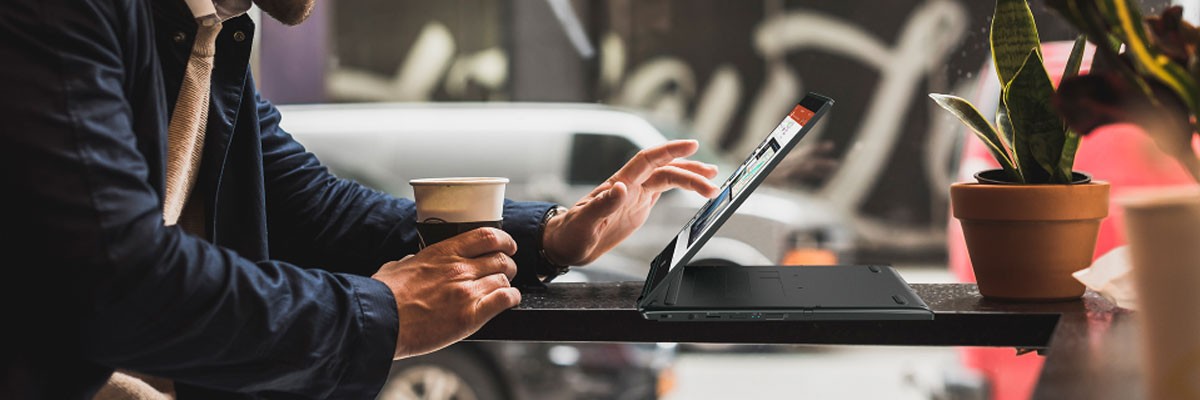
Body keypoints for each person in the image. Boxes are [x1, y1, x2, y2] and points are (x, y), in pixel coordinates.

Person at [0, 0, 719, 399]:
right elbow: (115, 279)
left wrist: (554, 235)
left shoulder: (209, 36)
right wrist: (383, 315)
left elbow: (314, 211)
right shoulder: (64, 14)